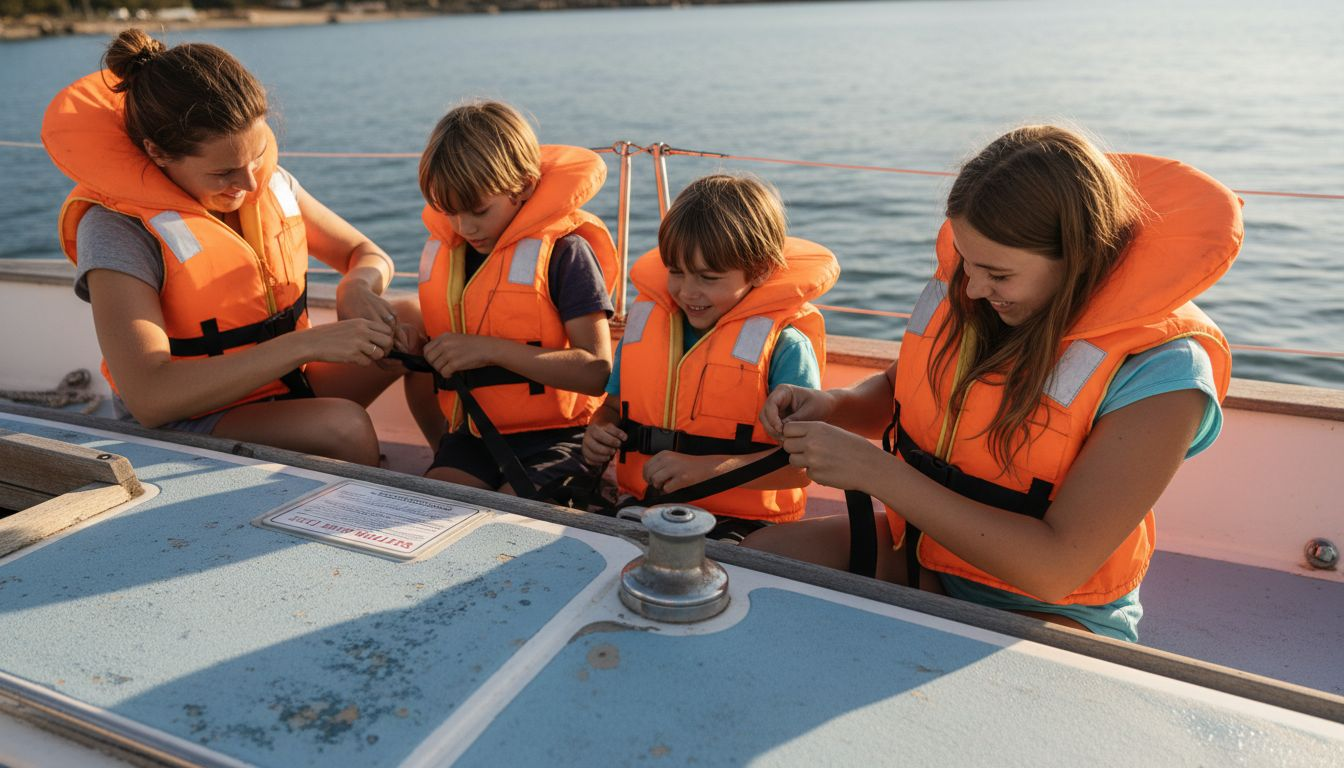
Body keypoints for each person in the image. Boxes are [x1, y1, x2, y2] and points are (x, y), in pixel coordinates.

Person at [744, 125, 1241, 641]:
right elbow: (905, 389)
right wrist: (833, 404)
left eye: (998, 275)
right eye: (965, 262)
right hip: (925, 557)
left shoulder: (1165, 373)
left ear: (1079, 256)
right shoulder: (976, 289)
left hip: (1049, 610)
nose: (975, 289)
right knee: (758, 567)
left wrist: (876, 474)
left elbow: (1055, 569)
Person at [42, 29, 408, 466]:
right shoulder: (116, 228)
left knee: (413, 322)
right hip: (193, 418)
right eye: (225, 173)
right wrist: (304, 346)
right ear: (157, 153)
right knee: (343, 426)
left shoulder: (267, 183)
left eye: (256, 159)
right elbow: (150, 398)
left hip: (288, 385)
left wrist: (358, 287)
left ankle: (457, 473)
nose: (250, 184)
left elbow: (365, 254)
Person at [582, 174, 840, 541]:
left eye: (708, 277)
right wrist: (599, 429)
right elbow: (611, 408)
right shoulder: (646, 325)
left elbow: (802, 467)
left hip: (743, 524)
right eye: (676, 272)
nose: (688, 292)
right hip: (646, 505)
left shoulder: (785, 346)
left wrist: (707, 469)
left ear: (761, 270)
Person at [408, 100, 618, 495]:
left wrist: (490, 351)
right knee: (434, 503)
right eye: (448, 212)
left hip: (560, 437)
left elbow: (596, 371)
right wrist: (418, 346)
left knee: (513, 514)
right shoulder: (450, 251)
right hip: (474, 435)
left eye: (478, 211)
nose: (464, 226)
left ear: (522, 186)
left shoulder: (565, 253)